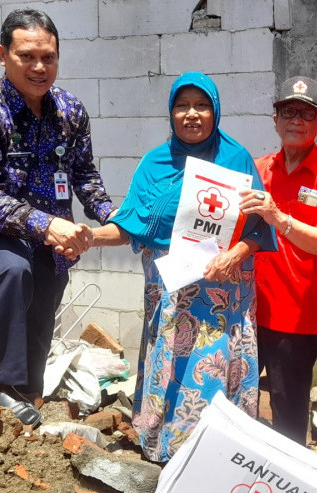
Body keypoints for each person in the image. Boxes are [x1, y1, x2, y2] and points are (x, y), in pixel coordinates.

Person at [89, 72, 277, 462]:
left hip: (222, 294)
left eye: (201, 105)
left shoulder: (237, 158)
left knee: (215, 368)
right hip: (172, 295)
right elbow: (128, 223)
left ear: (216, 111)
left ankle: (217, 454)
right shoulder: (154, 162)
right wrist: (88, 236)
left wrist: (238, 253)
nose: (191, 114)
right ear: (171, 112)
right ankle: (165, 446)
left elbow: (260, 225)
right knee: (172, 363)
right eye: (182, 105)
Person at [0, 9, 117, 428]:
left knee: (47, 288)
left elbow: (84, 173)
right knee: (13, 269)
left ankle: (29, 392)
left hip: (51, 237)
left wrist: (115, 216)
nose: (39, 68)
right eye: (27, 56)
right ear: (3, 55)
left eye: (49, 57)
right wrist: (45, 224)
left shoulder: (70, 111)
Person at [238, 76, 317, 445]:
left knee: (288, 411)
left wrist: (280, 218)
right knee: (238, 402)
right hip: (246, 308)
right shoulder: (256, 169)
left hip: (295, 315)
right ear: (275, 119)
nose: (297, 120)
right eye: (289, 111)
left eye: (307, 113)